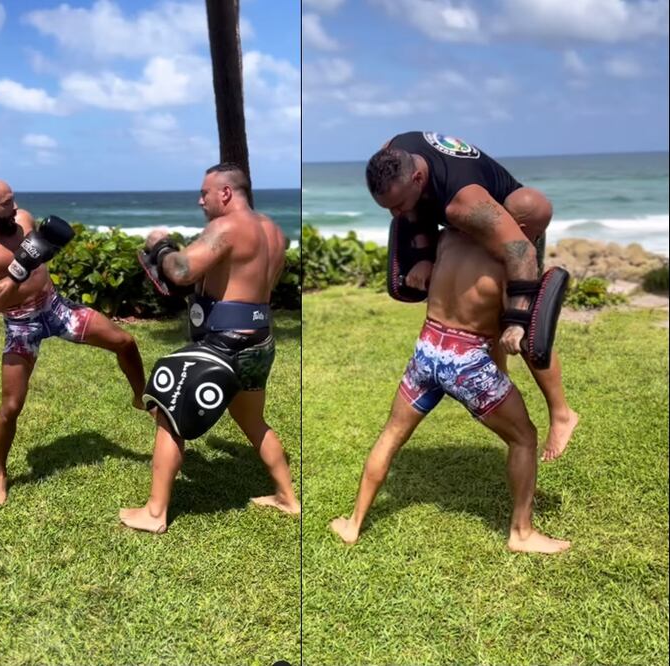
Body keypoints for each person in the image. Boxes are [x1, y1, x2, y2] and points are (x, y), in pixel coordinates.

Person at [330, 229, 571, 554]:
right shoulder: (509, 263)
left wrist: (500, 373)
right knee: (524, 436)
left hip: (428, 349)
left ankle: (353, 524)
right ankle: (522, 533)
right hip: (466, 363)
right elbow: (520, 336)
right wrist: (557, 407)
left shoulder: (446, 239)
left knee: (391, 434)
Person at [366, 132, 579, 461]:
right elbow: (413, 211)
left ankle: (562, 413)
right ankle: (501, 382)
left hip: (512, 235)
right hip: (469, 230)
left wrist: (519, 321)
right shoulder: (394, 153)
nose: (394, 214)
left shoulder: (465, 204)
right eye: (387, 206)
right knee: (490, 330)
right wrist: (422, 257)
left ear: (418, 178)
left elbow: (520, 252)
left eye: (398, 205)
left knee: (520, 330)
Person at [119, 162, 300, 534]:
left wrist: (160, 246)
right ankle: (287, 497)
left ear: (226, 193)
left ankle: (155, 513)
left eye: (205, 192)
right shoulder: (274, 231)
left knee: (169, 413)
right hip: (259, 340)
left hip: (224, 342)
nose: (200, 199)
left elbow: (183, 271)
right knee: (252, 420)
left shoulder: (228, 226)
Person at [0, 179, 146, 505]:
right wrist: (19, 268)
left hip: (55, 308)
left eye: (13, 199)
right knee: (11, 406)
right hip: (21, 324)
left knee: (125, 341)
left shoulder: (24, 220)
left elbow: (40, 260)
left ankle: (140, 397)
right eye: (7, 202)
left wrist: (47, 250)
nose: (15, 207)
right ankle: (0, 473)